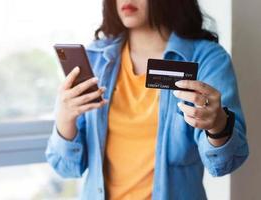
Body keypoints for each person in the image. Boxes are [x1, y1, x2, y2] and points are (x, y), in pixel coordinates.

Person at [45, 0, 249, 199]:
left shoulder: (207, 58)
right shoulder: (95, 58)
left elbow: (227, 162)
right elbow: (66, 167)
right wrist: (65, 118)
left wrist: (219, 125)